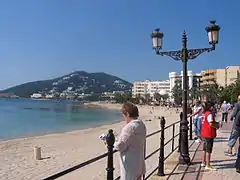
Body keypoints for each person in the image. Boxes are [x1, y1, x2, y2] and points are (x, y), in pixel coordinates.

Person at [113, 102, 146, 180]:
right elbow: (131, 140)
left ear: (127, 114)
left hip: (130, 165)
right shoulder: (141, 124)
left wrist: (111, 143)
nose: (124, 118)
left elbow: (120, 146)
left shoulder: (129, 127)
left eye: (123, 115)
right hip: (139, 162)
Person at [201, 101, 218, 170]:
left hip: (204, 133)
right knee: (208, 149)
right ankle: (208, 165)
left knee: (204, 148)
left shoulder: (204, 113)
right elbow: (211, 124)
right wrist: (217, 125)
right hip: (209, 133)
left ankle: (203, 162)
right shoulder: (209, 114)